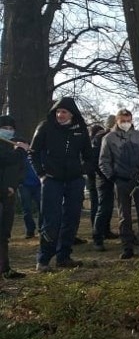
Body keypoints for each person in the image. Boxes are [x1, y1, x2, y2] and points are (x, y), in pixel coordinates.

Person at [30, 97, 95, 272]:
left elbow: (89, 157)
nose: (60, 115)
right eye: (57, 111)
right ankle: (43, 260)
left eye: (63, 112)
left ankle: (64, 256)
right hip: (51, 180)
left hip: (74, 180)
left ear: (71, 114)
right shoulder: (45, 127)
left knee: (72, 218)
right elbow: (33, 154)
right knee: (51, 220)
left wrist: (82, 170)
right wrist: (41, 175)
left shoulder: (81, 130)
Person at [96, 109, 139, 259]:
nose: (126, 124)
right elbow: (103, 161)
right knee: (124, 216)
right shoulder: (109, 138)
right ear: (117, 121)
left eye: (128, 120)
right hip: (120, 180)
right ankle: (127, 247)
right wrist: (112, 177)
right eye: (123, 121)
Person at [0, 116, 28, 278]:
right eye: (5, 128)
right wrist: (19, 151)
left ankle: (5, 268)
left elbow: (19, 170)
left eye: (11, 129)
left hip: (9, 193)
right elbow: (5, 161)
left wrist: (13, 186)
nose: (8, 131)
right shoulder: (13, 151)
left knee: (4, 233)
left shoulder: (14, 147)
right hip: (3, 191)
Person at [18, 139, 40, 239]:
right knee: (26, 209)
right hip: (24, 186)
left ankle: (42, 228)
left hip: (38, 185)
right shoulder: (18, 156)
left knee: (42, 208)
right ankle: (30, 230)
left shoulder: (36, 153)